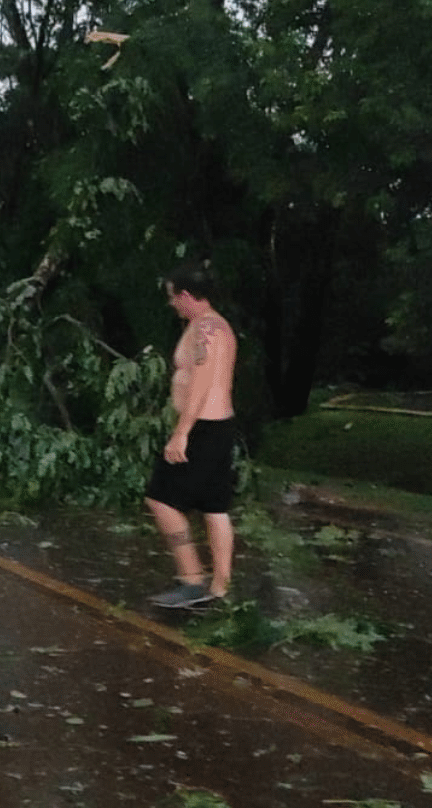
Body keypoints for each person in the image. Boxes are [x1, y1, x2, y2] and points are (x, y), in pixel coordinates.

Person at [146, 261, 240, 609]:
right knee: (215, 507)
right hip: (219, 425)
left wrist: (181, 433)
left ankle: (191, 580)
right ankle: (220, 587)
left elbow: (200, 383)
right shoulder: (217, 326)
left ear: (186, 295)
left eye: (173, 297)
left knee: (161, 498)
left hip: (202, 427)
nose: (171, 304)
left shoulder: (206, 330)